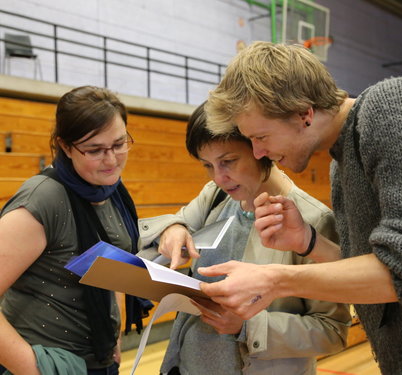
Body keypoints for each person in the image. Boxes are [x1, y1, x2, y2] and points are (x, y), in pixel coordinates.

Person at [199, 41, 402, 374]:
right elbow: (378, 271)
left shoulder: (397, 107)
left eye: (260, 137)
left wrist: (275, 280)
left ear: (304, 113)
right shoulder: (342, 159)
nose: (258, 152)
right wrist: (308, 242)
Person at [138, 102, 350, 375]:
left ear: (259, 148)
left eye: (228, 162)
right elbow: (163, 236)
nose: (218, 177)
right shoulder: (214, 195)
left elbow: (332, 331)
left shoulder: (313, 221)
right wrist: (171, 229)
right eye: (207, 165)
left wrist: (249, 327)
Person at [0, 86, 150, 375]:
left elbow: (108, 266)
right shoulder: (42, 200)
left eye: (119, 144)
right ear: (65, 147)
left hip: (97, 359)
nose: (111, 159)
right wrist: (33, 368)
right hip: (48, 362)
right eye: (95, 150)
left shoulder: (111, 189)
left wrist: (112, 333)